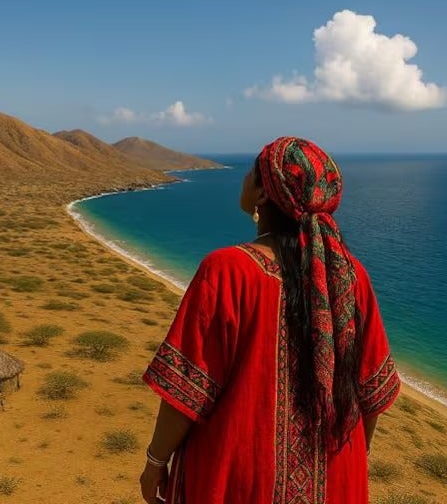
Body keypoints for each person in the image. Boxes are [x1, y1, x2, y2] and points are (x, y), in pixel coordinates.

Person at [139, 136, 400, 504]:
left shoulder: (227, 271)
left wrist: (155, 460)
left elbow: (187, 389)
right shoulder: (351, 276)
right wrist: (355, 459)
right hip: (338, 477)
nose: (244, 179)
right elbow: (371, 393)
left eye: (251, 173)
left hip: (241, 481)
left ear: (263, 194)